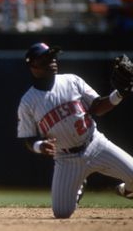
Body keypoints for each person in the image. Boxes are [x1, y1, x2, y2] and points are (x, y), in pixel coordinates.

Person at [17, 42, 133, 218]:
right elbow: (28, 139)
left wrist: (119, 94)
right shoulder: (28, 102)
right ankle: (78, 185)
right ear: (32, 65)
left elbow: (97, 107)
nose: (53, 60)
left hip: (95, 144)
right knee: (61, 213)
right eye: (46, 58)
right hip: (66, 158)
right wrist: (39, 146)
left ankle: (126, 191)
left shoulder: (71, 80)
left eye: (53, 56)